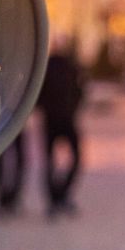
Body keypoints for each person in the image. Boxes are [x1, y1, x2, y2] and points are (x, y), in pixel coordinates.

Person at [38, 35, 84, 217]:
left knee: (50, 161)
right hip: (65, 118)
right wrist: (72, 109)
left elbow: (38, 94)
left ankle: (55, 197)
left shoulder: (46, 67)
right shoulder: (69, 66)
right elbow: (80, 91)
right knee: (72, 157)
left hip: (52, 119)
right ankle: (59, 196)